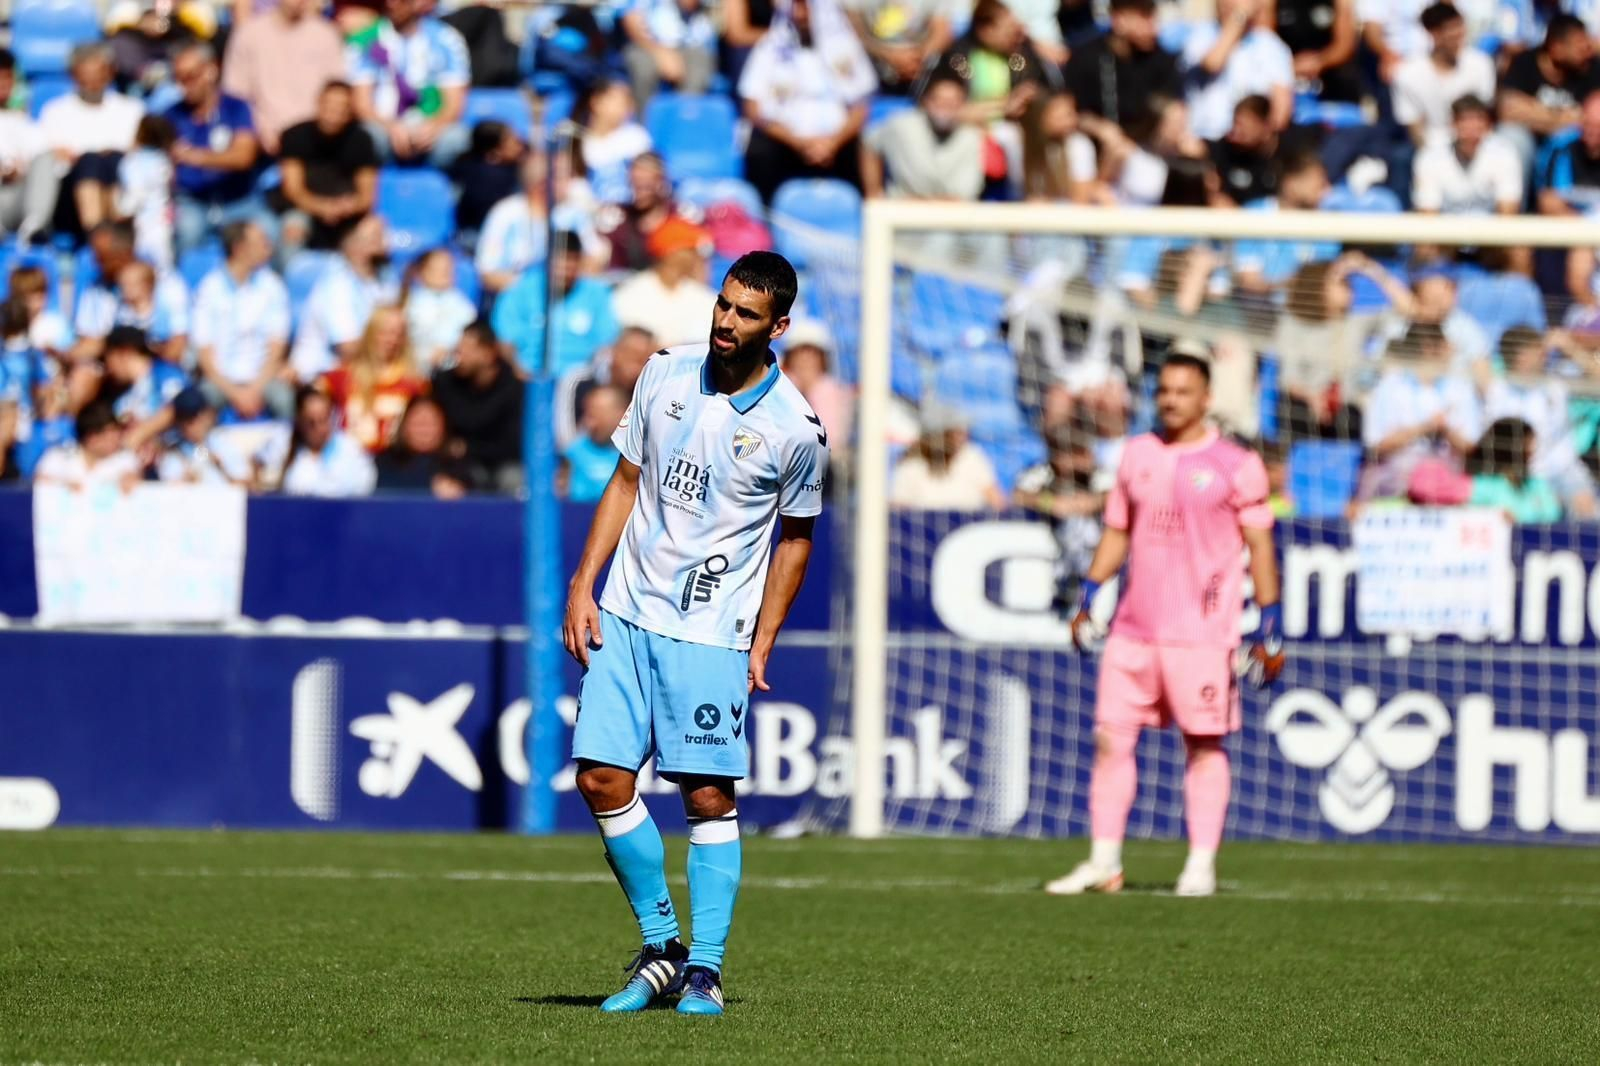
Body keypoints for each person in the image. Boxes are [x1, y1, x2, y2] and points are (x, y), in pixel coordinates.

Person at [561, 250, 825, 1016]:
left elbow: (797, 538)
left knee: (705, 794)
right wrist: (585, 582)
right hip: (627, 609)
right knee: (600, 778)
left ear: (777, 326)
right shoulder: (665, 373)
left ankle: (706, 969)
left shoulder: (795, 431)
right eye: (722, 303)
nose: (725, 321)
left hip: (711, 631)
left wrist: (764, 635)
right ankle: (663, 949)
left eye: (745, 313)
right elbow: (625, 480)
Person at [1047, 353, 1284, 898]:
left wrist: (1269, 624)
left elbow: (1260, 544)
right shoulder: (1136, 455)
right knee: (1110, 740)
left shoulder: (1235, 463)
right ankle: (1104, 862)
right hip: (1133, 629)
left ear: (1206, 399)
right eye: (1165, 391)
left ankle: (1200, 866)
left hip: (1202, 634)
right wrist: (1088, 596)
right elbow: (1117, 531)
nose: (1172, 400)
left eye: (1183, 391)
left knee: (1203, 745)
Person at [739, 0, 876, 204]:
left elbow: (860, 107)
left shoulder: (845, 46)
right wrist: (799, 143)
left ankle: (861, 218)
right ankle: (766, 219)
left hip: (837, 143)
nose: (802, 14)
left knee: (865, 149)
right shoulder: (769, 47)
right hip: (786, 141)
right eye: (797, 6)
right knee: (761, 151)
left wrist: (832, 142)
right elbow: (752, 106)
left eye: (808, 7)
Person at [1483, 324, 1597, 516]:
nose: (1544, 355)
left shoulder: (1556, 383)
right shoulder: (1495, 390)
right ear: (1521, 357)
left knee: (1584, 505)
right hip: (1518, 473)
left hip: (1563, 469)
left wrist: (1571, 348)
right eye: (1538, 351)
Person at [1361, 322, 1483, 498]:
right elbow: (1375, 447)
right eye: (1446, 344)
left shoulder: (1461, 388)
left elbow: (1471, 447)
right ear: (1428, 348)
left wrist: (1445, 430)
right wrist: (1424, 428)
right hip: (1394, 488)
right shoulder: (1390, 387)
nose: (1451, 349)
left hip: (1447, 491)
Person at [162, 43, 263, 257]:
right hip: (192, 200)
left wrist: (195, 156)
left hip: (237, 199)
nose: (184, 85)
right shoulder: (170, 115)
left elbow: (244, 156)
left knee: (266, 235)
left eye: (191, 76)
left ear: (211, 70)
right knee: (187, 232)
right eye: (178, 78)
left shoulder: (236, 107)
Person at [348, 0, 472, 167]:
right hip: (384, 127)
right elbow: (362, 104)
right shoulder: (365, 40)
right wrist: (391, 127)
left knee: (458, 139)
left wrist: (434, 127)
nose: (393, 4)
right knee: (367, 136)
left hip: (430, 126)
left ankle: (443, 191)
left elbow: (454, 104)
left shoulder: (447, 39)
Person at [37, 43, 146, 234]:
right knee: (90, 162)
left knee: (112, 161)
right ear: (74, 75)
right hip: (71, 198)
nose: (93, 81)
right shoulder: (55, 112)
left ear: (110, 72)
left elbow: (138, 153)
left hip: (120, 184)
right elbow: (51, 158)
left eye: (99, 73)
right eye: (86, 75)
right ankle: (99, 234)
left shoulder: (132, 109)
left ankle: (113, 233)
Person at [192, 220, 293, 421]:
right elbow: (204, 353)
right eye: (261, 241)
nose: (269, 247)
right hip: (221, 381)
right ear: (239, 248)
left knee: (285, 399)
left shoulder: (272, 286)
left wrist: (255, 389)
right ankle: (201, 453)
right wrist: (235, 393)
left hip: (263, 379)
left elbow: (277, 347)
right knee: (199, 403)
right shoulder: (209, 289)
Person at [222, 0, 347, 155]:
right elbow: (237, 94)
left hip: (316, 139)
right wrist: (262, 129)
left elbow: (336, 93)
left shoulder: (326, 35)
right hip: (263, 140)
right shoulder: (248, 34)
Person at [1014, 413, 1111, 612]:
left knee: (1078, 527)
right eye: (1073, 453)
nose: (1082, 459)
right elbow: (1018, 495)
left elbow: (1116, 494)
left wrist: (1091, 503)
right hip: (1046, 549)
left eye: (1083, 452)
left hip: (1093, 550)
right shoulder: (1041, 472)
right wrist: (1051, 503)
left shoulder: (1100, 474)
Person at [477, 148, 603, 296]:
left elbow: (595, 257)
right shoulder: (505, 214)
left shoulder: (572, 214)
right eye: (565, 177)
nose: (571, 183)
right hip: (517, 300)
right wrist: (535, 291)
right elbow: (487, 274)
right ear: (543, 184)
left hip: (566, 298)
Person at [1062, 0, 1182, 153]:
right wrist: (1098, 127)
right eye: (1144, 17)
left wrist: (1171, 117)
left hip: (1148, 149)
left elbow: (1170, 103)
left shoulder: (1161, 58)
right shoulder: (1085, 57)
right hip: (1097, 151)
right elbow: (1071, 112)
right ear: (1119, 19)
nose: (1154, 28)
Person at [275, 81, 380, 255]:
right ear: (319, 103)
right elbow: (293, 190)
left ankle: (374, 281)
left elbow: (367, 195)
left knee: (373, 230)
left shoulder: (362, 140)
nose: (334, 112)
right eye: (330, 104)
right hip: (304, 209)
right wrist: (324, 207)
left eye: (341, 107)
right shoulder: (294, 136)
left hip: (347, 213)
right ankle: (292, 277)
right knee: (293, 227)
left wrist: (348, 207)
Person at [289, 213, 393, 383]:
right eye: (376, 235)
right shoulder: (335, 284)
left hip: (364, 372)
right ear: (352, 244)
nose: (386, 240)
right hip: (321, 377)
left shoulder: (382, 282)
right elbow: (348, 347)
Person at [494, 236, 621, 374]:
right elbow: (505, 341)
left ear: (580, 261)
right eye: (559, 260)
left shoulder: (597, 293)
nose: (564, 268)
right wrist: (519, 373)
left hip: (580, 378)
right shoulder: (520, 291)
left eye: (570, 260)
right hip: (527, 376)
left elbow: (606, 342)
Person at [860, 71, 985, 201]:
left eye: (952, 102)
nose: (945, 108)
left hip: (953, 216)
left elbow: (964, 197)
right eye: (939, 100)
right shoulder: (902, 126)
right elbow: (869, 141)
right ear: (926, 101)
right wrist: (873, 193)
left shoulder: (971, 136)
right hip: (901, 211)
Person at [1180, 0, 1295, 142]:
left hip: (1250, 145)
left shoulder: (1271, 45)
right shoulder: (1202, 34)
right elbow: (1213, 63)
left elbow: (1281, 112)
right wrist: (1239, 17)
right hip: (1204, 139)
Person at [430, 319, 524, 491]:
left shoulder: (513, 388)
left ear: (488, 354)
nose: (459, 356)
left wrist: (468, 448)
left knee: (514, 478)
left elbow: (513, 445)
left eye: (467, 350)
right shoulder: (446, 383)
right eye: (458, 350)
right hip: (462, 466)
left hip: (504, 464)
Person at [1498, 15, 1600, 171]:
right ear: (1557, 49)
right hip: (1531, 146)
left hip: (1576, 149)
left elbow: (1590, 117)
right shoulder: (1525, 62)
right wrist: (1561, 117)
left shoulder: (1591, 68)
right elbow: (1508, 111)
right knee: (1512, 136)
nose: (1588, 51)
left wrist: (1533, 112)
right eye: (1580, 47)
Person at [319, 305, 426, 452]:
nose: (392, 339)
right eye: (385, 333)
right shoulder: (343, 377)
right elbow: (311, 401)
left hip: (394, 464)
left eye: (398, 334)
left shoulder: (415, 384)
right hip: (351, 461)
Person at [1393, 3, 1497, 147]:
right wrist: (1432, 158)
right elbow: (1415, 128)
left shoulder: (1481, 64)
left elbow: (1484, 116)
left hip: (1475, 143)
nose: (1458, 36)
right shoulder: (1407, 74)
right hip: (1432, 146)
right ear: (1434, 33)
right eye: (1451, 29)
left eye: (1460, 28)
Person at [611, 217, 719, 347]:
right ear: (672, 252)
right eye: (690, 249)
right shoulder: (632, 293)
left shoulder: (704, 297)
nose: (695, 255)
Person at [1412, 96, 1524, 215]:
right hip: (1445, 231)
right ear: (1453, 124)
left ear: (1488, 125)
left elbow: (1508, 213)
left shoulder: (1504, 154)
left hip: (1490, 231)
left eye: (1478, 120)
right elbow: (1428, 216)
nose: (1471, 128)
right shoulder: (1430, 158)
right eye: (1464, 120)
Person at [555, 325, 657, 451]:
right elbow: (565, 438)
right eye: (631, 356)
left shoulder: (648, 392)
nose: (635, 368)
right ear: (614, 351)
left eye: (643, 361)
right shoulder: (578, 380)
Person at [263, 384, 377, 496]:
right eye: (311, 422)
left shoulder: (350, 449)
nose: (319, 428)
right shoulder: (282, 445)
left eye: (323, 420)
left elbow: (363, 488)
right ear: (299, 421)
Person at [888, 406, 1005, 511]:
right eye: (957, 432)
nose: (964, 437)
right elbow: (899, 506)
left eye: (964, 432)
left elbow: (996, 499)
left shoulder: (970, 456)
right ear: (941, 434)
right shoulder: (912, 465)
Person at [99, 325, 185, 450]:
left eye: (109, 357)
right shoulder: (122, 400)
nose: (109, 367)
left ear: (124, 352)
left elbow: (179, 406)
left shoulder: (165, 372)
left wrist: (141, 434)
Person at [0, 50, 55, 245]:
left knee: (46, 158)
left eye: (7, 77)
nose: (4, 84)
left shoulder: (26, 123)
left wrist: (19, 169)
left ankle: (34, 227)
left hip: (20, 198)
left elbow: (41, 158)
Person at [841, 0, 954, 95]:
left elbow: (942, 31)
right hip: (870, 66)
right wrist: (887, 55)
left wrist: (915, 60)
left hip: (919, 69)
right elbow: (850, 29)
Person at [778, 320, 852, 464]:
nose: (805, 360)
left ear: (822, 359)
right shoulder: (777, 389)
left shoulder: (833, 393)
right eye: (799, 353)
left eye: (812, 354)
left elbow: (832, 439)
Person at [620, 0, 717, 105]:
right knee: (643, 67)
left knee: (699, 64)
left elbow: (689, 4)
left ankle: (685, 117)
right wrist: (660, 53)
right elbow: (631, 22)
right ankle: (645, 119)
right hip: (646, 46)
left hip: (688, 47)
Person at [574, 78, 653, 206]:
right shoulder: (577, 140)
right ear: (596, 102)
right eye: (618, 101)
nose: (626, 107)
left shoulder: (636, 136)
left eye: (627, 102)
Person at [597, 152, 681, 273]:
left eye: (646, 186)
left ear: (661, 181)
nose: (639, 193)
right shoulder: (617, 217)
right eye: (635, 186)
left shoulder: (679, 216)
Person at [375, 394, 469, 497]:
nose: (424, 429)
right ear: (404, 426)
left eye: (431, 423)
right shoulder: (383, 462)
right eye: (418, 422)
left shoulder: (458, 467)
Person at [33, 402, 142, 491]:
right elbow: (40, 482)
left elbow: (132, 478)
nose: (117, 438)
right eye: (111, 435)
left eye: (118, 432)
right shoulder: (58, 456)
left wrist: (131, 482)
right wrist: (63, 487)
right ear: (91, 438)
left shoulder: (125, 458)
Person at [1268, 0, 1360, 104]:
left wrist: (1320, 61)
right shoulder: (1272, 4)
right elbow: (1264, 38)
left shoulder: (1339, 4)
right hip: (1286, 76)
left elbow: (1346, 43)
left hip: (1330, 75)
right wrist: (1290, 66)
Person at [116, 116, 178, 270]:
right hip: (164, 223)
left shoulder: (132, 162)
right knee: (164, 265)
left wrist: (122, 211)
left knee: (145, 265)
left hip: (144, 224)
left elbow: (135, 194)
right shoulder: (165, 161)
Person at [1019, 91, 1102, 203]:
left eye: (1071, 113)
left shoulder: (1078, 145)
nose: (1071, 121)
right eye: (1061, 116)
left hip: (1065, 214)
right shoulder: (1021, 141)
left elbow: (1082, 200)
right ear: (1040, 117)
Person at [156, 386, 250, 484]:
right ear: (178, 422)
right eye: (188, 419)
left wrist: (221, 467)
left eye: (199, 416)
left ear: (208, 415)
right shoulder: (174, 454)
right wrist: (186, 481)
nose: (195, 424)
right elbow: (169, 489)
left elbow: (244, 484)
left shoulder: (222, 441)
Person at [403, 248, 476, 371]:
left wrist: (447, 351)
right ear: (422, 271)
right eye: (437, 268)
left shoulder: (464, 307)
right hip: (416, 369)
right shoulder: (410, 304)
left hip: (453, 371)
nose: (444, 272)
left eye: (448, 268)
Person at [1536, 88, 1600, 213]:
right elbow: (1548, 201)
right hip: (1570, 225)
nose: (1591, 132)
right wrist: (1586, 228)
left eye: (1597, 127)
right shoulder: (1561, 147)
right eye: (1587, 124)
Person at [1209, 95, 1279, 207]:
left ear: (1265, 126)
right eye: (1235, 123)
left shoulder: (1285, 157)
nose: (1236, 131)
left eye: (1243, 126)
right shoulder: (1222, 151)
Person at [562, 383, 626, 502]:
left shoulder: (637, 454)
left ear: (621, 414)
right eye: (588, 414)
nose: (590, 423)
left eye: (598, 415)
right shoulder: (573, 453)